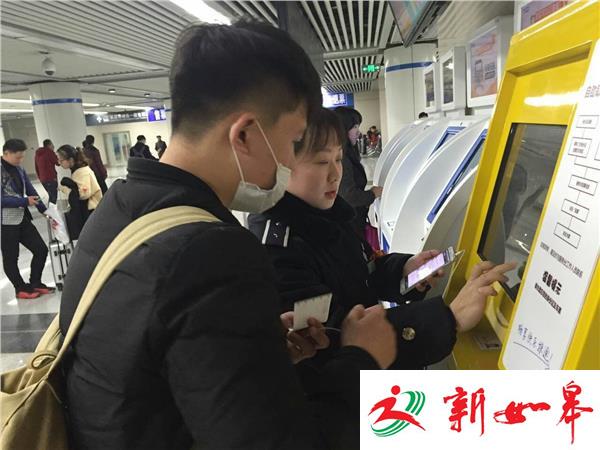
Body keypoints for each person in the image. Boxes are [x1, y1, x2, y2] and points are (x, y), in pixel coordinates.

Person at [59, 20, 396, 450]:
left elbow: (147, 366)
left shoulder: (123, 205)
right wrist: (362, 358)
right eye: (293, 140)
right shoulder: (211, 251)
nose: (290, 160)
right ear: (245, 135)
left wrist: (258, 352)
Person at [248, 107, 515, 371]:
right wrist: (448, 319)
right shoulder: (276, 250)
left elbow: (362, 273)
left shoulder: (328, 215)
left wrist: (405, 270)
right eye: (321, 162)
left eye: (338, 159)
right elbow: (333, 331)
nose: (335, 174)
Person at [1, 139, 55, 299]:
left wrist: (44, 210)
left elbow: (30, 190)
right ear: (6, 153)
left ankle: (35, 282)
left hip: (22, 218)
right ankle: (20, 288)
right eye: (17, 157)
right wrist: (24, 201)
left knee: (41, 249)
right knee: (11, 258)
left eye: (22, 157)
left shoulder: (19, 169)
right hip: (5, 222)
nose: (20, 160)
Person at [334, 106, 382, 236]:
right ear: (343, 129)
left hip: (351, 219)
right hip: (348, 223)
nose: (358, 132)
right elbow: (349, 196)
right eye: (354, 127)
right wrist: (372, 194)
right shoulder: (341, 158)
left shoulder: (345, 153)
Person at [56, 145, 102, 238]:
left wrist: (65, 189)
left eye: (61, 160)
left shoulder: (81, 172)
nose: (59, 163)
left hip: (90, 211)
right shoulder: (78, 170)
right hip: (88, 210)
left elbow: (83, 194)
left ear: (70, 159)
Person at [34, 138, 59, 204]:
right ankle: (51, 210)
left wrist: (40, 178)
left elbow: (36, 167)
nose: (53, 146)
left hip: (43, 179)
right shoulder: (49, 152)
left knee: (51, 196)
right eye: (52, 144)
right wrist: (55, 154)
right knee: (53, 197)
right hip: (51, 178)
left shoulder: (37, 155)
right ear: (49, 145)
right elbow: (58, 162)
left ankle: (51, 210)